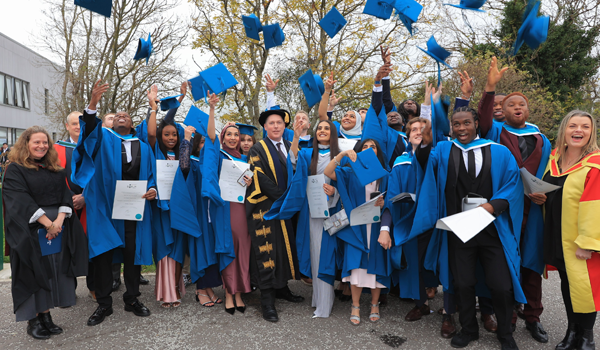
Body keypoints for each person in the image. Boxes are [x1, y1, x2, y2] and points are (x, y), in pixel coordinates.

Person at [410, 106, 526, 350]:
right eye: (456, 124)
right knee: (462, 283)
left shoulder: (499, 152)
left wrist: (492, 206)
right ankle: (469, 329)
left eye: (466, 123)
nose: (461, 128)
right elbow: (423, 165)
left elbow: (513, 184)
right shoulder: (443, 149)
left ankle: (505, 334)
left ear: (476, 123)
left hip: (491, 229)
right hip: (458, 229)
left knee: (501, 285)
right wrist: (424, 144)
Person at [479, 57, 552, 342]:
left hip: (534, 209)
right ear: (503, 111)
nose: (517, 108)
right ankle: (507, 316)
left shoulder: (542, 138)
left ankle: (533, 317)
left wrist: (544, 193)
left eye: (521, 104)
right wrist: (489, 88)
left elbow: (549, 171)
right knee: (506, 261)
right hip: (506, 209)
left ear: (528, 109)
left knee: (533, 262)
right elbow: (483, 117)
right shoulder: (495, 133)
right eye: (511, 104)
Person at [72, 79, 157, 326]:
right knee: (103, 256)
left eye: (126, 115)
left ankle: (132, 298)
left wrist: (151, 189)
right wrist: (93, 103)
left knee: (132, 254)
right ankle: (104, 304)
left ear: (132, 124)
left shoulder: (143, 146)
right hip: (106, 208)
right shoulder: (103, 140)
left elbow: (150, 175)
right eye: (117, 114)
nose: (121, 116)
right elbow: (87, 135)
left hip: (133, 208)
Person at [3, 126, 88, 339]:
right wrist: (47, 224)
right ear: (26, 144)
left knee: (52, 272)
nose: (42, 146)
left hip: (58, 229)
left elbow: (65, 196)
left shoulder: (54, 169)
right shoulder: (15, 169)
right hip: (30, 231)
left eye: (45, 142)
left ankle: (46, 316)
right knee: (35, 273)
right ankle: (34, 320)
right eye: (36, 142)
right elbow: (20, 200)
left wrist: (58, 222)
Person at [535, 110, 600, 350]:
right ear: (564, 130)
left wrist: (588, 242)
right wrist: (539, 197)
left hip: (580, 241)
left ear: (591, 132)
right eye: (573, 125)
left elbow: (596, 205)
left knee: (585, 289)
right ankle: (572, 333)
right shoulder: (554, 159)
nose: (579, 131)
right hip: (556, 235)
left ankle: (587, 338)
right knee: (567, 284)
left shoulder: (594, 164)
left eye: (585, 126)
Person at [266, 118, 342, 318]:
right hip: (313, 211)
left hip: (333, 210)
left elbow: (347, 181)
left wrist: (335, 190)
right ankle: (320, 299)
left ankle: (325, 303)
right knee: (317, 254)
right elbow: (293, 162)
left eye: (327, 128)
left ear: (333, 134)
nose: (322, 131)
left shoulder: (339, 155)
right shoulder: (308, 153)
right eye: (320, 128)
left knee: (327, 255)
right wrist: (297, 137)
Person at [324, 138, 391, 326]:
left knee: (375, 265)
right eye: (365, 147)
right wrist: (343, 155)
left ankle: (374, 304)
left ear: (379, 152)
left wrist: (385, 203)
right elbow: (328, 172)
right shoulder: (349, 172)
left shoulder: (384, 175)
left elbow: (390, 201)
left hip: (376, 225)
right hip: (357, 226)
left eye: (373, 146)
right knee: (356, 265)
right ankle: (355, 305)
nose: (369, 149)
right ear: (358, 151)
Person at [246, 108, 304, 322]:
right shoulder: (257, 148)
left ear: (284, 126)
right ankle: (267, 300)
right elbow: (258, 175)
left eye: (279, 122)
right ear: (265, 127)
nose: (276, 126)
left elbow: (298, 169)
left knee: (284, 247)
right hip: (266, 208)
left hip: (285, 207)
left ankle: (282, 287)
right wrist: (283, 197)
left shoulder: (290, 145)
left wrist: (290, 200)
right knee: (267, 252)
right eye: (271, 123)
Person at [143, 84, 188, 309]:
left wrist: (181, 98)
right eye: (166, 134)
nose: (170, 137)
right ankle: (167, 292)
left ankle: (175, 287)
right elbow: (152, 131)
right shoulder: (155, 151)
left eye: (174, 134)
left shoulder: (181, 154)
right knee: (164, 248)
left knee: (178, 248)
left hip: (178, 206)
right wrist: (154, 106)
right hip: (161, 209)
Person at [202, 118, 252, 315]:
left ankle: (240, 291)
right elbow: (211, 137)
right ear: (223, 138)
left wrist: (250, 182)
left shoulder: (244, 159)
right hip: (224, 207)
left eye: (236, 135)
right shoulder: (218, 154)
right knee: (228, 247)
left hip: (241, 207)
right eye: (228, 134)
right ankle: (229, 293)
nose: (233, 138)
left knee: (243, 247)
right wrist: (212, 110)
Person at [54, 111, 92, 299]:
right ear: (67, 126)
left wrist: (86, 196)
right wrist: (71, 198)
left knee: (93, 246)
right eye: (74, 123)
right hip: (66, 205)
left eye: (81, 123)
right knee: (67, 246)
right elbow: (53, 179)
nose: (78, 126)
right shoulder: (56, 149)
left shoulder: (94, 146)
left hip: (91, 205)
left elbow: (101, 176)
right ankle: (69, 290)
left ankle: (95, 287)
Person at [264, 74, 313, 148]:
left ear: (309, 125)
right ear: (293, 125)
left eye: (304, 118)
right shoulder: (286, 135)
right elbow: (273, 117)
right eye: (297, 118)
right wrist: (270, 93)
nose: (300, 120)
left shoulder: (313, 143)